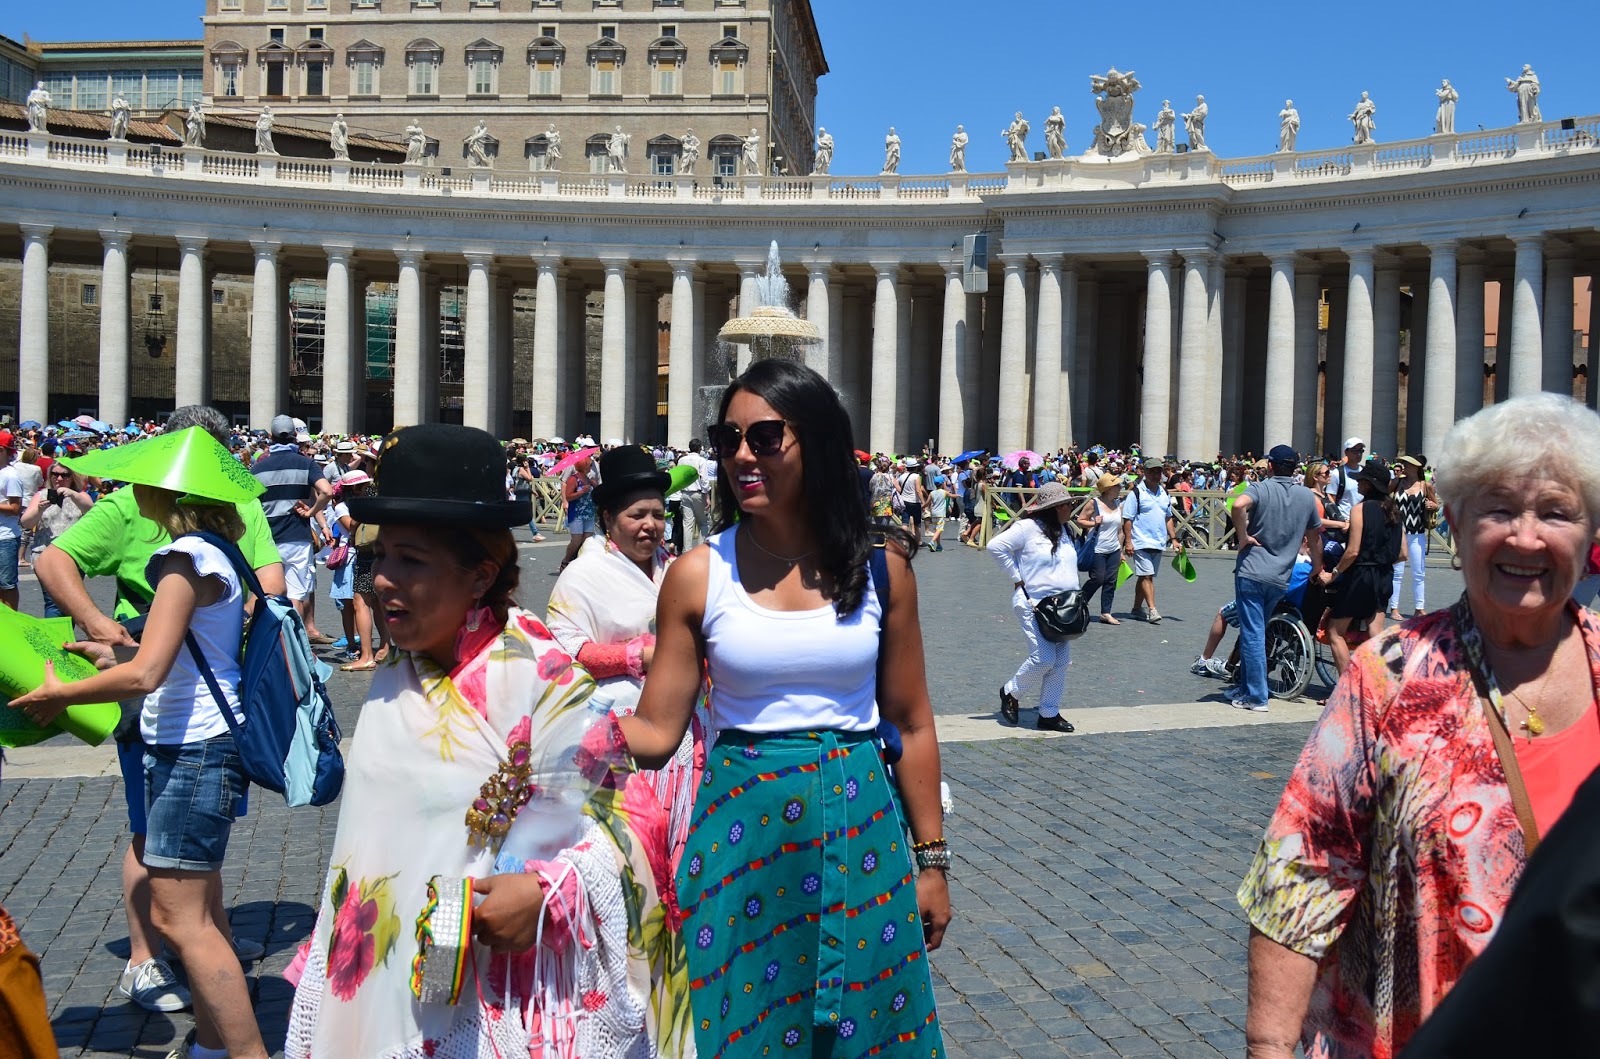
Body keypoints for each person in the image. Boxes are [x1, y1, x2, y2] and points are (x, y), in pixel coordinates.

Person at [285, 424, 695, 1058]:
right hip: (383, 986)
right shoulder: (400, 666)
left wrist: (547, 890)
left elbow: (632, 823)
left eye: (410, 560)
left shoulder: (538, 675)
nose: (383, 580)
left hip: (501, 995)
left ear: (479, 577)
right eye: (381, 556)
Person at [1238, 392, 1600, 1058]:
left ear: (1591, 532)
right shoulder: (1389, 676)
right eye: (1498, 508)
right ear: (1454, 524)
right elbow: (1303, 873)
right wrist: (1268, 1045)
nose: (1525, 535)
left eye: (1556, 511)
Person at [616, 359, 949, 1057]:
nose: (742, 454)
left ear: (817, 443)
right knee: (735, 1026)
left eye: (765, 437)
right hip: (741, 839)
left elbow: (913, 722)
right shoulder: (697, 573)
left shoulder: (884, 571)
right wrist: (555, 716)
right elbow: (656, 730)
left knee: (867, 1028)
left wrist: (932, 861)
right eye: (728, 437)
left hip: (864, 831)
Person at [13, 428, 273, 1059]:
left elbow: (146, 675)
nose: (135, 493)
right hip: (195, 740)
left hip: (195, 747)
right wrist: (112, 646)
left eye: (146, 484)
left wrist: (62, 696)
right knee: (196, 918)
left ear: (166, 491)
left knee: (181, 922)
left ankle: (247, 1053)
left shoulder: (185, 560)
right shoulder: (214, 550)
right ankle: (214, 1046)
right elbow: (171, 651)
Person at [546, 444, 705, 867]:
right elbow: (564, 652)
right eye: (637, 516)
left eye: (657, 514)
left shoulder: (675, 567)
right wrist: (641, 656)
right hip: (616, 732)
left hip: (686, 730)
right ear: (607, 520)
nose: (650, 526)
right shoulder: (583, 575)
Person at [1225, 446, 1324, 713]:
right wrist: (1317, 567)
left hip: (1253, 571)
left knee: (1253, 633)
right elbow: (1315, 538)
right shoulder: (1306, 496)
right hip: (1281, 576)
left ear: (1270, 466)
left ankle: (1257, 697)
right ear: (1295, 469)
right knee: (1257, 630)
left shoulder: (1260, 488)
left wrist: (1243, 535)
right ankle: (1246, 688)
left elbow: (1237, 504)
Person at [989, 482, 1081, 732]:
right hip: (1033, 603)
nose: (1071, 507)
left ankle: (1049, 713)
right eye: (1066, 504)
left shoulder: (1064, 530)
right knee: (1043, 658)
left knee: (1061, 661)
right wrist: (1016, 577)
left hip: (1064, 606)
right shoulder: (1026, 528)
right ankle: (1011, 691)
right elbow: (995, 546)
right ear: (1054, 508)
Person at [250, 414, 334, 635]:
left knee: (270, 593)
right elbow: (327, 491)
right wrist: (312, 512)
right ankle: (295, 642)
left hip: (268, 539)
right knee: (296, 594)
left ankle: (274, 640)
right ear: (295, 436)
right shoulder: (306, 463)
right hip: (297, 537)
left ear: (270, 437)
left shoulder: (258, 469)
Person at [1317, 459, 1402, 675]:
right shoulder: (1394, 510)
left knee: (1335, 631)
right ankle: (1392, 679)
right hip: (1384, 574)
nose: (1358, 484)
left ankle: (1347, 689)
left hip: (1362, 574)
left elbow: (1352, 551)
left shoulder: (1360, 509)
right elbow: (1402, 554)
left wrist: (1334, 574)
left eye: (1361, 480)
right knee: (1376, 631)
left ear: (1369, 485)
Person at [20, 462, 93, 617]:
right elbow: (26, 522)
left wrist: (73, 495)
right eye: (55, 474)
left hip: (74, 556)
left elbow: (92, 512)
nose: (59, 478)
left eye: (64, 475)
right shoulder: (41, 495)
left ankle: (66, 639)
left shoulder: (80, 495)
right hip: (45, 555)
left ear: (72, 477)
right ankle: (55, 639)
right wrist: (39, 510)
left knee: (72, 603)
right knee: (53, 602)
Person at [1121, 460, 1178, 623]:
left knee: (1144, 576)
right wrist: (1128, 542)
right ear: (1144, 473)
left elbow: (1168, 518)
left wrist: (1174, 538)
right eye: (1152, 471)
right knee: (1147, 576)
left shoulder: (1165, 493)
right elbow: (1128, 519)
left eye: (1158, 472)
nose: (1155, 475)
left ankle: (1136, 609)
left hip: (1158, 541)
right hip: (1140, 541)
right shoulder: (1136, 493)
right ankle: (1152, 609)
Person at [1388, 453, 1437, 620]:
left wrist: (1433, 505)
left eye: (1407, 464)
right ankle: (1394, 608)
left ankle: (1419, 608)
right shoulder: (1397, 482)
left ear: (1416, 467)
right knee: (1397, 572)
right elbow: (1385, 499)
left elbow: (1435, 504)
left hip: (1417, 533)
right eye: (1403, 464)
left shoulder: (1426, 485)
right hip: (1398, 532)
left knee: (1419, 571)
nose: (1404, 467)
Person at [1077, 473, 1125, 624]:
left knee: (1111, 581)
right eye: (1117, 485)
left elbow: (1121, 530)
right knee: (1098, 578)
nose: (1120, 488)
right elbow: (1080, 520)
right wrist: (1093, 523)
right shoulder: (1094, 503)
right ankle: (1079, 603)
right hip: (1097, 548)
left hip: (1114, 548)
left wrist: (1121, 550)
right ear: (1109, 489)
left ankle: (1106, 612)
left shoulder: (1119, 504)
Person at [558, 453, 597, 571]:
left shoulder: (589, 479)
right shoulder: (573, 479)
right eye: (589, 465)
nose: (591, 467)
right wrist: (581, 492)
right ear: (584, 466)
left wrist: (595, 486)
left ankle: (580, 562)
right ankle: (566, 560)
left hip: (589, 512)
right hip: (577, 513)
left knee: (587, 539)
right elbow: (568, 496)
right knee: (576, 540)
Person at [676, 438, 714, 549]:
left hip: (685, 493)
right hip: (698, 493)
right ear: (699, 448)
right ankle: (700, 549)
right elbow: (704, 480)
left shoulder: (681, 460)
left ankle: (686, 550)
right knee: (703, 522)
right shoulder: (701, 460)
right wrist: (707, 496)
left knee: (687, 523)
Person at [0, 430, 23, 610]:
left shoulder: (11, 475)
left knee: (7, 585)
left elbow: (15, 509)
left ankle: (11, 621)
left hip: (5, 537)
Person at [896, 460, 928, 540]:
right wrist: (923, 502)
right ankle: (918, 541)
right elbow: (918, 490)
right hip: (914, 502)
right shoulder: (917, 476)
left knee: (905, 523)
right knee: (917, 523)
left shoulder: (902, 476)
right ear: (916, 467)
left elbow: (898, 487)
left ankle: (904, 541)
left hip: (904, 501)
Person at [926, 474, 950, 551]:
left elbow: (927, 503)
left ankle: (938, 545)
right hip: (940, 514)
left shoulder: (932, 493)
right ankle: (932, 542)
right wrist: (957, 495)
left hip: (934, 514)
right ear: (942, 483)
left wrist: (923, 507)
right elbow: (951, 495)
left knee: (936, 530)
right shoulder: (944, 492)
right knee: (939, 529)